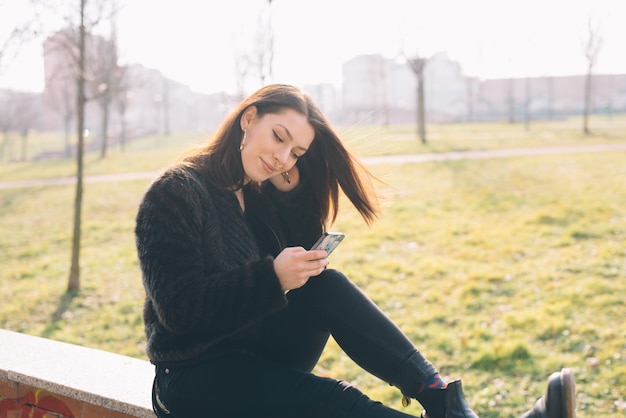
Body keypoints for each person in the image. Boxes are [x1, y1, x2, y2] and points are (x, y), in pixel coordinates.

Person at [135, 84, 576, 418]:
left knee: (325, 285)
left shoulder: (260, 193)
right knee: (335, 403)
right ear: (248, 118)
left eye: (297, 152)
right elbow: (180, 311)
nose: (283, 156)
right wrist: (272, 278)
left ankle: (440, 398)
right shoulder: (175, 193)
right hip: (191, 377)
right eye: (279, 136)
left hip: (257, 351)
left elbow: (304, 271)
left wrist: (291, 191)